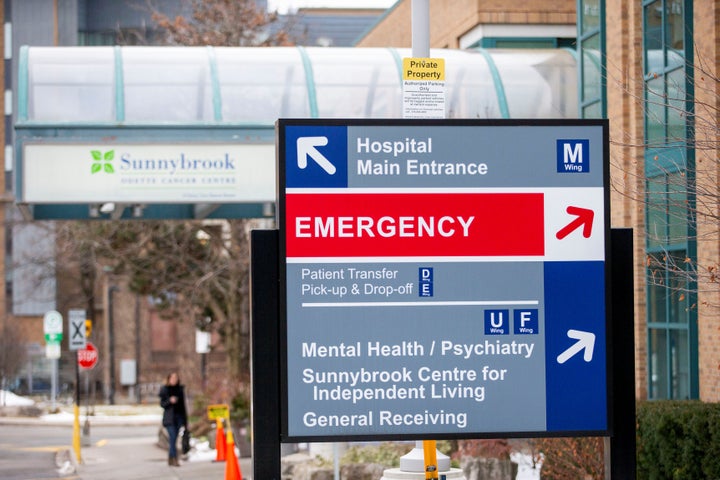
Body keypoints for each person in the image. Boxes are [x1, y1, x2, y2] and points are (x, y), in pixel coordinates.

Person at [159, 372, 187, 466]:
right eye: (172, 378)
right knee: (173, 437)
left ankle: (171, 458)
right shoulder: (165, 390)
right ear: (169, 379)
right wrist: (169, 401)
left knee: (173, 439)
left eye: (176, 378)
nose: (174, 380)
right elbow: (162, 404)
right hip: (169, 418)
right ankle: (174, 459)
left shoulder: (180, 390)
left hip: (179, 417)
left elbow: (183, 406)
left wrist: (185, 420)